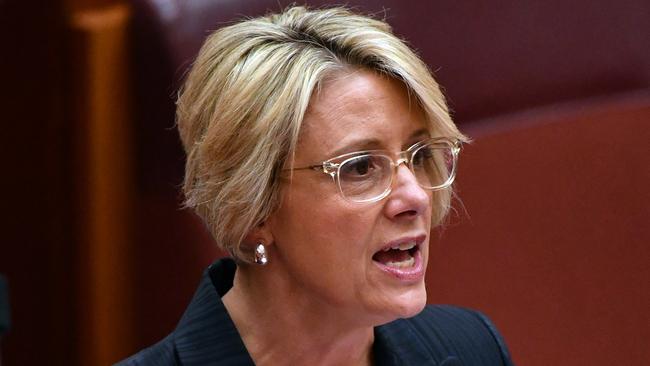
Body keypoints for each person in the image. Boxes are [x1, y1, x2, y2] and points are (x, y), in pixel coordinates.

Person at [119, 6, 513, 366]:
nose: (414, 197)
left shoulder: (472, 348)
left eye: (420, 154)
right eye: (359, 167)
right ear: (253, 209)